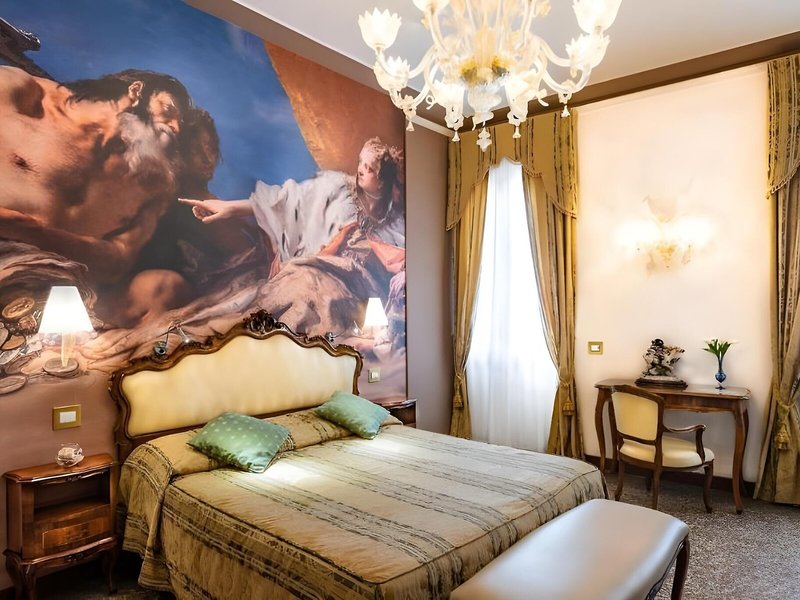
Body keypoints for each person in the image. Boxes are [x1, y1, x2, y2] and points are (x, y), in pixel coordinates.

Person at [180, 136, 406, 350]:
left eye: (369, 168)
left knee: (320, 302)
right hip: (317, 267)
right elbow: (285, 202)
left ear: (382, 182)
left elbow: (397, 261)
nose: (360, 170)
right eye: (360, 162)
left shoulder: (393, 219)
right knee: (296, 287)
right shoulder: (338, 188)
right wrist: (230, 209)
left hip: (357, 284)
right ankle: (228, 343)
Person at [0, 66, 192, 286]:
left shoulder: (157, 182)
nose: (175, 128)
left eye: (180, 124)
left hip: (49, 279)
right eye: (168, 110)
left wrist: (30, 232)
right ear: (136, 91)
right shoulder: (23, 92)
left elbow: (117, 262)